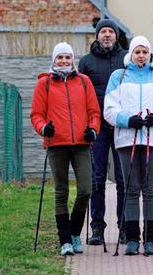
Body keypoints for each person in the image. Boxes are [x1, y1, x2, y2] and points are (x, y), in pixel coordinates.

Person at [104, 35, 153, 255]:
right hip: (127, 139)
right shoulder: (119, 76)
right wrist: (126, 119)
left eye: (145, 51)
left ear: (150, 54)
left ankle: (150, 239)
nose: (141, 55)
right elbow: (109, 107)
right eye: (137, 51)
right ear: (131, 54)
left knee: (150, 188)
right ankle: (132, 238)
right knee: (131, 188)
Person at [30, 42, 101, 256]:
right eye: (59, 58)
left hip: (81, 143)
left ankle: (75, 232)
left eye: (67, 58)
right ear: (53, 60)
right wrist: (44, 129)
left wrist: (93, 130)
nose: (63, 61)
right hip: (56, 144)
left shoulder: (83, 81)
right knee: (61, 191)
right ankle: (65, 241)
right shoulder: (45, 84)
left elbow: (94, 112)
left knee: (86, 190)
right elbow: (36, 115)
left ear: (73, 60)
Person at [78, 19, 127, 245]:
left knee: (123, 178)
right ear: (97, 36)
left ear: (116, 36)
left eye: (110, 32)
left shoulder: (126, 59)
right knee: (97, 178)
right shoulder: (86, 62)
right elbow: (79, 96)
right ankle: (97, 227)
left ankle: (125, 225)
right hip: (96, 128)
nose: (107, 35)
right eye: (103, 32)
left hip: (121, 126)